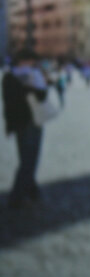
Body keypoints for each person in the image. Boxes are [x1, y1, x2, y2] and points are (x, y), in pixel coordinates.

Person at [2, 48, 49, 209]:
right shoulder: (14, 77)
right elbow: (10, 102)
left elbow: (42, 96)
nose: (32, 63)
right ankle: (17, 196)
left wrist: (40, 82)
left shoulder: (19, 76)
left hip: (29, 121)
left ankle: (31, 190)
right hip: (27, 122)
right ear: (24, 60)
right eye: (31, 60)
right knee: (28, 159)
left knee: (29, 158)